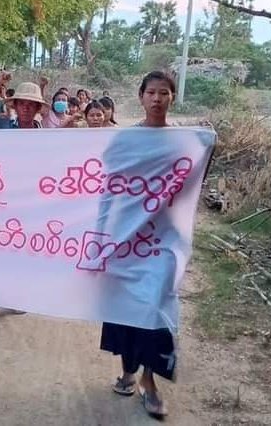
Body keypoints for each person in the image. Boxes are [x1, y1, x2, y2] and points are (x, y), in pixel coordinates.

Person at [100, 71, 179, 418]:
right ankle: (128, 369)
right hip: (124, 239)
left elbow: (191, 186)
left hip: (163, 241)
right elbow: (107, 188)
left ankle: (150, 381)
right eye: (151, 92)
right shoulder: (125, 139)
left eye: (164, 93)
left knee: (157, 308)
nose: (157, 99)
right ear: (141, 96)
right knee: (124, 308)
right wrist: (100, 235)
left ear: (172, 97)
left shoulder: (183, 141)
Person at [0, 72, 47, 323]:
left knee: (22, 251)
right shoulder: (2, 125)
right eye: (21, 103)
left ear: (37, 108)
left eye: (31, 104)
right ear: (14, 105)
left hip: (30, 201)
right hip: (0, 199)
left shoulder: (45, 135)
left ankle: (15, 296)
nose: (26, 108)